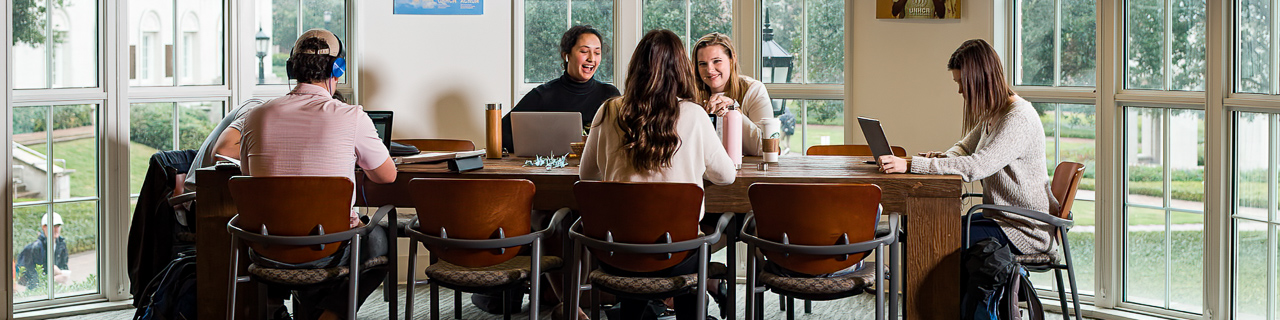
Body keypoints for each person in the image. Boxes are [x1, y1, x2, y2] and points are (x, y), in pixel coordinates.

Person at [238, 28, 397, 320]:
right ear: (339, 69)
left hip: (266, 249)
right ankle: (331, 316)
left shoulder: (255, 116)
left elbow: (248, 177)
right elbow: (387, 176)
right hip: (327, 249)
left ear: (292, 67)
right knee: (380, 238)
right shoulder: (351, 116)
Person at [579, 29, 737, 320]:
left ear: (636, 67)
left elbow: (586, 175)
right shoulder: (693, 114)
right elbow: (727, 176)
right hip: (677, 257)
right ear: (680, 69)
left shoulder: (609, 109)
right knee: (698, 238)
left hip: (617, 252)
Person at [876, 39, 1058, 256]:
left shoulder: (1018, 118)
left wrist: (914, 165)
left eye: (962, 82)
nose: (960, 90)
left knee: (933, 235)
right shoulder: (995, 113)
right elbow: (963, 148)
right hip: (1000, 218)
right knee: (926, 229)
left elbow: (977, 166)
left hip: (1024, 230)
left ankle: (941, 291)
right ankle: (932, 291)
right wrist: (943, 158)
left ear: (981, 80)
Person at [501, 25, 621, 153]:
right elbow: (501, 133)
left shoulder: (610, 94)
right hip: (552, 170)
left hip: (597, 170)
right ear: (566, 55)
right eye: (584, 51)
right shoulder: (543, 94)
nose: (591, 58)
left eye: (597, 53)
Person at [692, 32, 775, 156]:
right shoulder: (690, 93)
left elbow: (764, 148)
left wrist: (734, 110)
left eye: (717, 61)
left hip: (746, 171)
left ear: (732, 60)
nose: (709, 69)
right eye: (702, 64)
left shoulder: (754, 90)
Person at [16, 212, 71, 289]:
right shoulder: (34, 248)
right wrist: (51, 280)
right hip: (38, 292)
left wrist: (62, 274)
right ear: (44, 227)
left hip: (57, 289)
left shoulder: (61, 245)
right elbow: (27, 276)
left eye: (58, 226)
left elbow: (64, 265)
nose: (56, 229)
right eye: (53, 226)